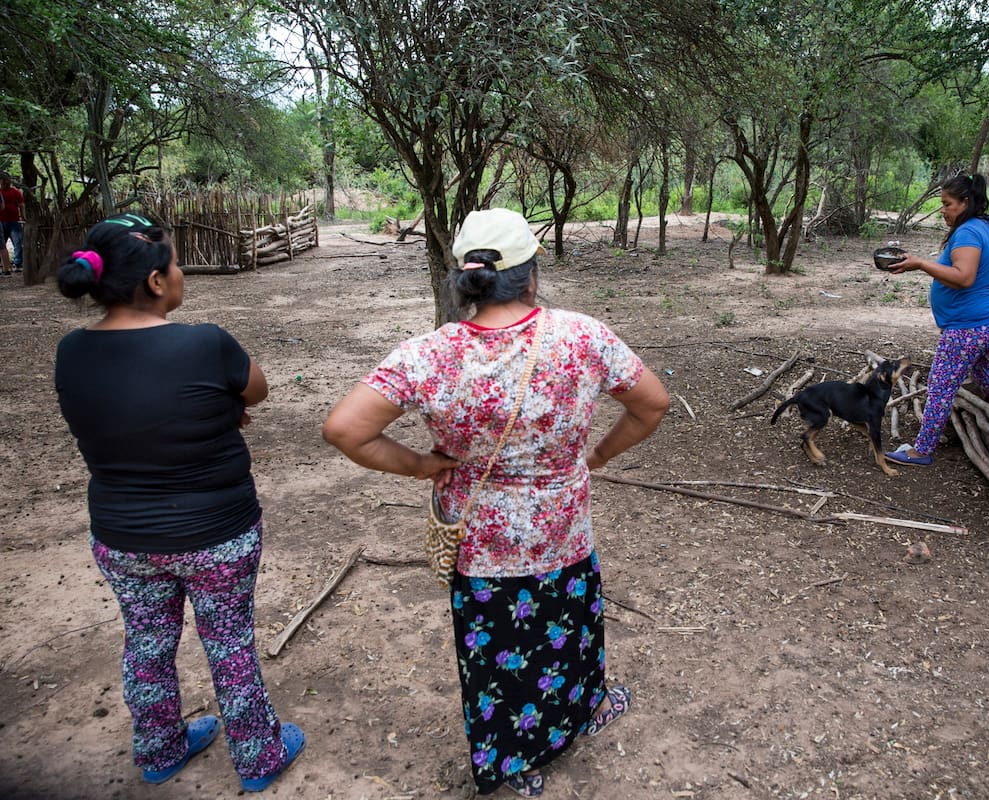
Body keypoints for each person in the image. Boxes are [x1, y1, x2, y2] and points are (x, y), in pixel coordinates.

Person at [323, 207, 669, 797]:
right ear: (530, 276)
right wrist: (599, 457)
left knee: (495, 649)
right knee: (570, 628)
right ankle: (582, 712)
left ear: (466, 281)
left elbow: (344, 429)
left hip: (478, 541)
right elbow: (652, 405)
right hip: (561, 531)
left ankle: (514, 762)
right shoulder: (582, 337)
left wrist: (421, 465)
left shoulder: (425, 355)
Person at [53, 213, 305, 791]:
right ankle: (259, 757)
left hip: (123, 537)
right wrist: (221, 408)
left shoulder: (71, 352)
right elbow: (257, 391)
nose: (181, 272)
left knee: (146, 640)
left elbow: (120, 418)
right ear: (157, 283)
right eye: (176, 264)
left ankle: (160, 748)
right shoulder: (205, 342)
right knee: (229, 642)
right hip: (217, 535)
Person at [882, 173, 989, 466]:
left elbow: (963, 277)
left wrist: (920, 263)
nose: (943, 210)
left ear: (965, 202)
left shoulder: (968, 232)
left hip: (968, 328)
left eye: (947, 204)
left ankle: (922, 450)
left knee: (940, 385)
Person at [0, 173, 24, 275]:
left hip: (14, 220)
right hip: (1, 221)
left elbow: (22, 204)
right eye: (3, 181)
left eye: (7, 180)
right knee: (2, 245)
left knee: (17, 243)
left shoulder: (15, 192)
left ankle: (17, 263)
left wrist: (22, 215)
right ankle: (4, 265)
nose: (6, 183)